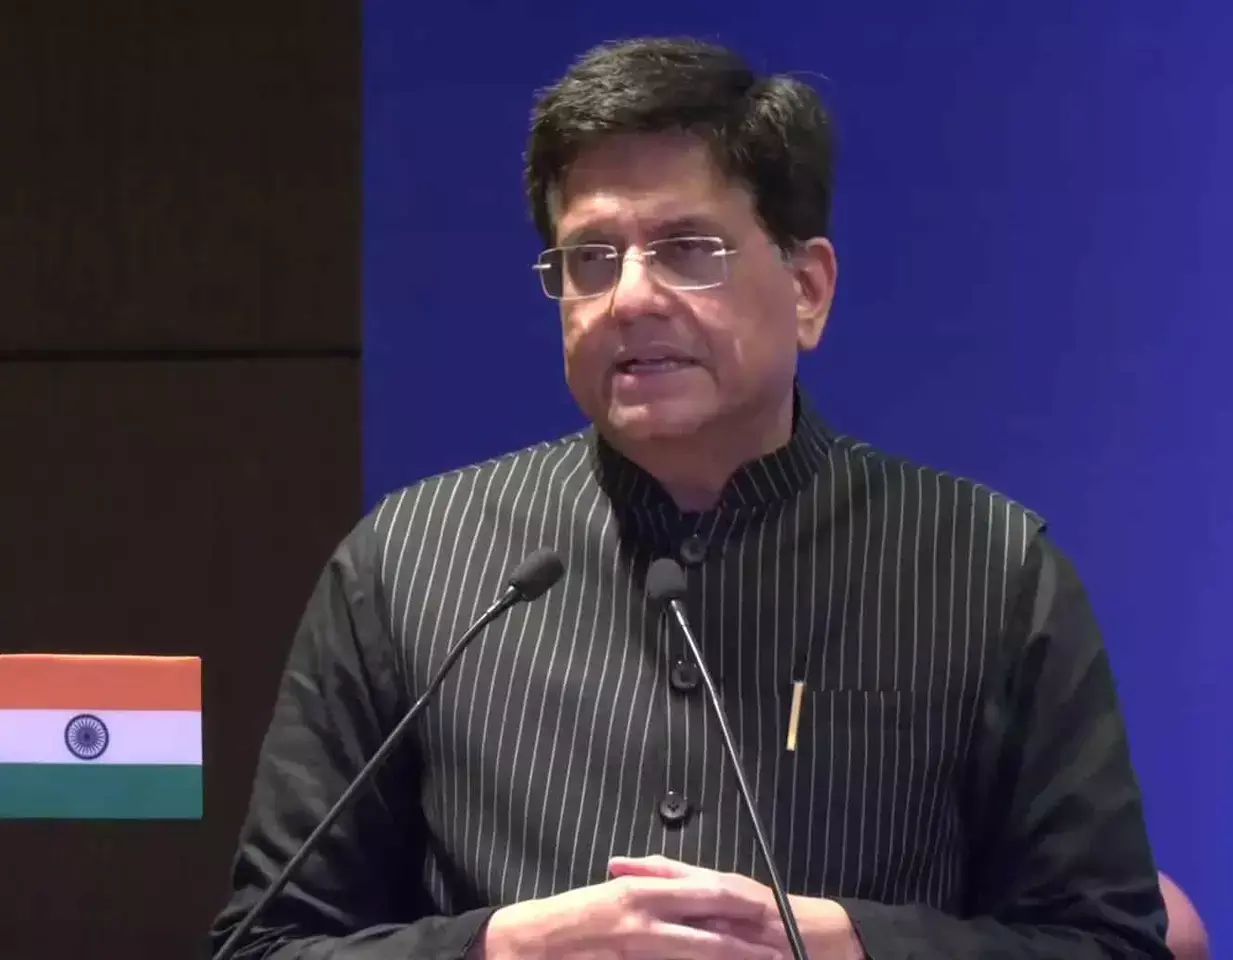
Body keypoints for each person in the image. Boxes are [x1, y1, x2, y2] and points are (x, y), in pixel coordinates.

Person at [210, 36, 1173, 959]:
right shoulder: (409, 561)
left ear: (808, 288)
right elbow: (264, 945)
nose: (630, 298)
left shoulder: (991, 569)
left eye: (687, 248)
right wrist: (508, 946)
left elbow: (1110, 942)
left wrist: (845, 944)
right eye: (591, 258)